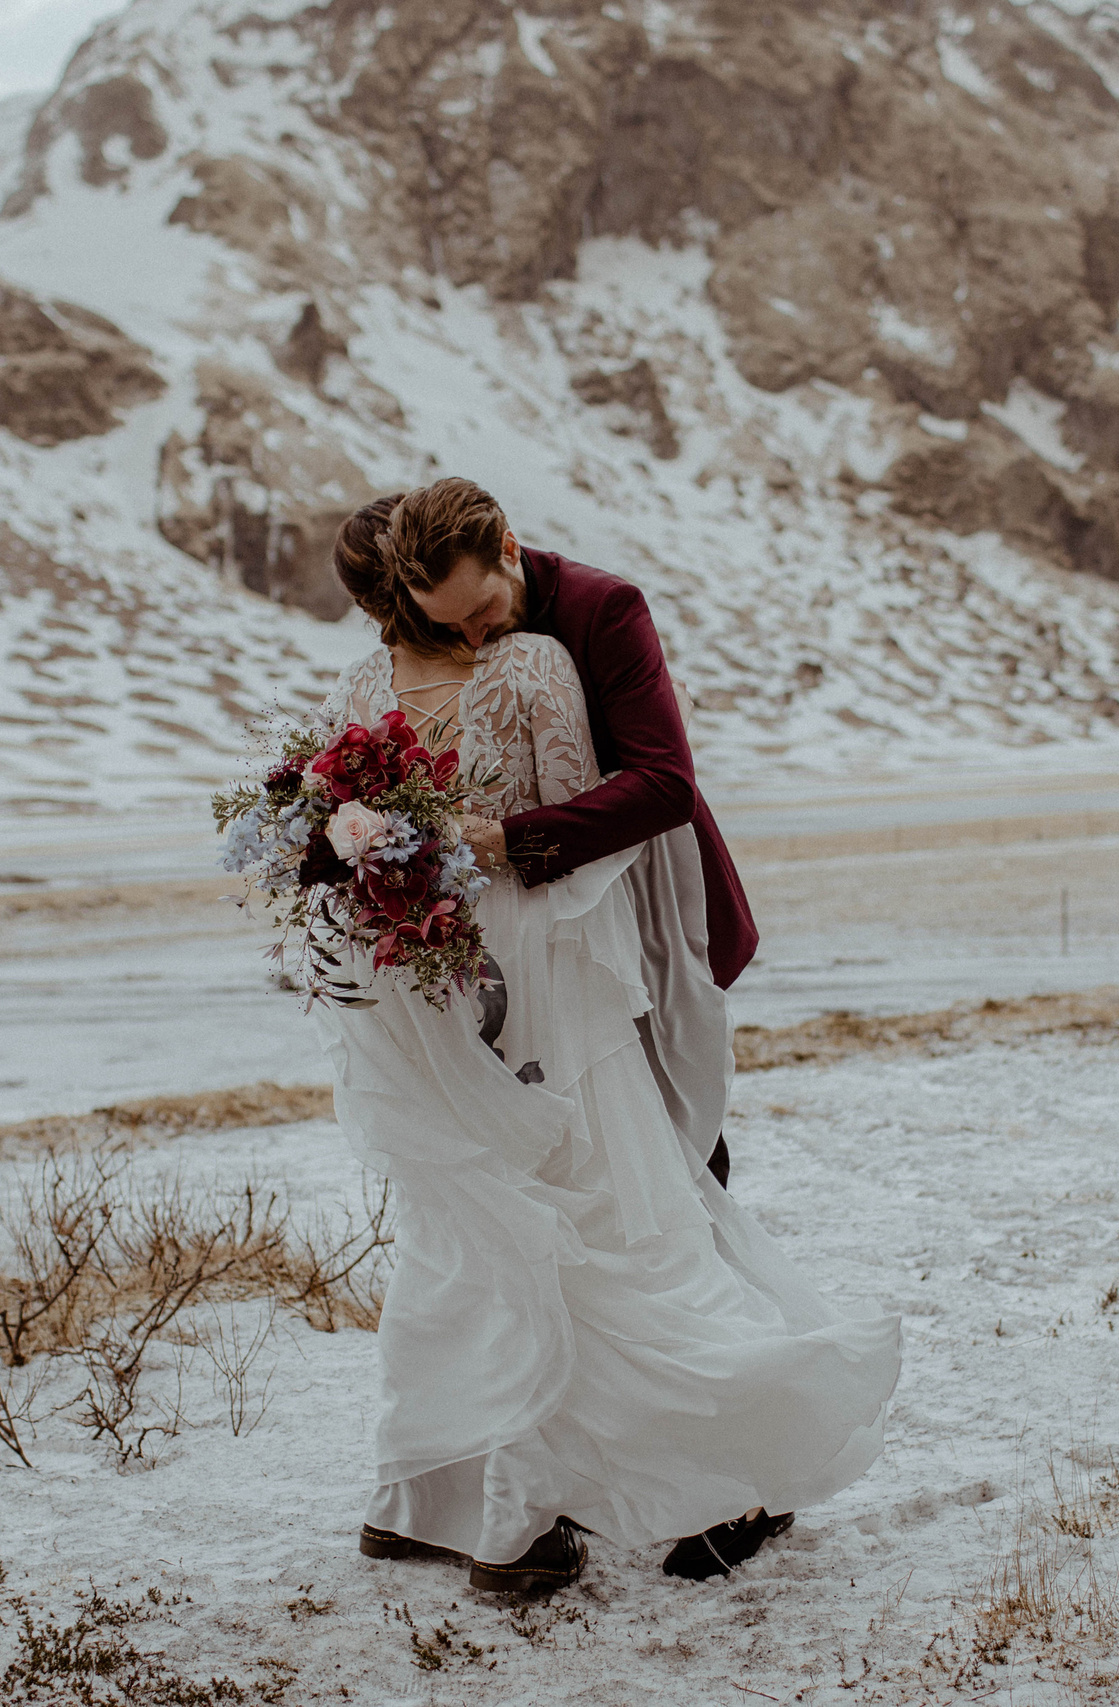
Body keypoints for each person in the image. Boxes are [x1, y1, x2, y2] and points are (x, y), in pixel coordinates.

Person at [313, 483, 900, 1596]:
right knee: (630, 1214)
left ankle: (457, 1495)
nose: (482, 633)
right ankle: (642, 1491)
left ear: (500, 552)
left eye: (485, 607)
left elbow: (658, 789)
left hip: (531, 970)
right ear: (404, 593)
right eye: (455, 616)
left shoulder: (567, 624)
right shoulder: (519, 665)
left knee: (535, 1221)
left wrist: (487, 860)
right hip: (536, 978)